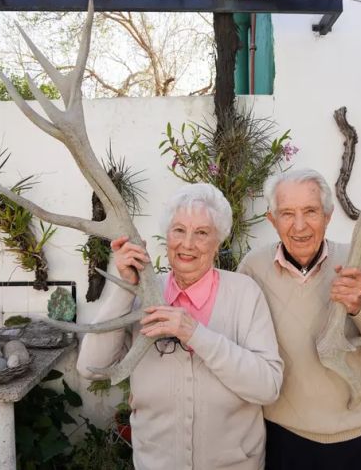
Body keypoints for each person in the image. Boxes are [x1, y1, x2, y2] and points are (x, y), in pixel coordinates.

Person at [76, 183, 283, 470]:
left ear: (218, 241)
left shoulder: (244, 293)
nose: (187, 244)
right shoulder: (144, 295)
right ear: (166, 236)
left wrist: (195, 334)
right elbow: (89, 368)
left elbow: (268, 387)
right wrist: (126, 287)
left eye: (201, 233)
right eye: (179, 230)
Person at [236, 168, 361, 470]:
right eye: (287, 214)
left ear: (327, 216)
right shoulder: (253, 268)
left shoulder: (358, 264)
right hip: (285, 437)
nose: (299, 226)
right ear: (272, 220)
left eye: (310, 211)